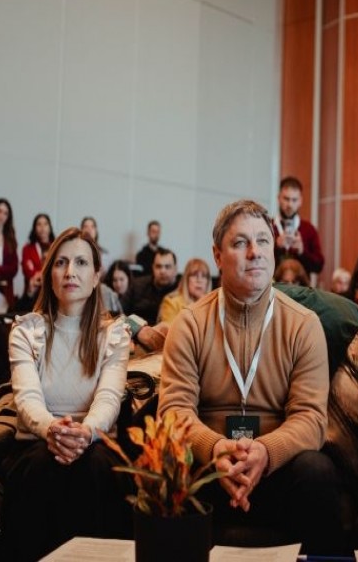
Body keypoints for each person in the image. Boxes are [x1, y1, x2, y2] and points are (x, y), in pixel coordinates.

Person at [157, 199, 345, 555]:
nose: (255, 252)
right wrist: (215, 448)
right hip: (209, 469)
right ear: (217, 255)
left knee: (317, 471)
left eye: (262, 240)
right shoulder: (190, 323)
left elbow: (311, 418)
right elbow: (173, 412)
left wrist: (265, 452)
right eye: (240, 242)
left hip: (278, 469)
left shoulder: (303, 325)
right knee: (165, 464)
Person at [2, 227, 132, 561]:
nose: (70, 271)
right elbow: (27, 399)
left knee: (96, 469)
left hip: (96, 441)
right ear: (50, 275)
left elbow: (109, 398)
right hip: (35, 442)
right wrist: (53, 429)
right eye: (61, 262)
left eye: (81, 263)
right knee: (41, 468)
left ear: (96, 277)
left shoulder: (114, 334)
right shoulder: (26, 330)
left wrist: (85, 432)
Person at [273, 176, 324, 277]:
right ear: (279, 198)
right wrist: (276, 247)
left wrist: (302, 251)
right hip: (272, 285)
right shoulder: (268, 227)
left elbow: (319, 266)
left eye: (294, 200)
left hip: (301, 286)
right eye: (286, 199)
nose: (290, 204)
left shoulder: (309, 229)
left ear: (300, 201)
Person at [125, 247, 179, 325]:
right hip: (138, 330)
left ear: (175, 269)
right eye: (158, 266)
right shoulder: (137, 286)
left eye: (167, 267)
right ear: (153, 268)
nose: (162, 271)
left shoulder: (183, 289)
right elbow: (121, 314)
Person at [158, 257, 212, 323]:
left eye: (204, 276)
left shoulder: (213, 305)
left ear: (208, 281)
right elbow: (170, 329)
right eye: (194, 275)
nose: (199, 280)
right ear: (186, 279)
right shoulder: (171, 302)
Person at [19, 213, 55, 310]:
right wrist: (41, 275)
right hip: (32, 295)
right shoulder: (27, 248)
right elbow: (27, 270)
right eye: (39, 224)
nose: (42, 228)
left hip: (52, 295)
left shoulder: (56, 247)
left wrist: (41, 275)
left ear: (50, 227)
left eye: (45, 224)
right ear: (34, 228)